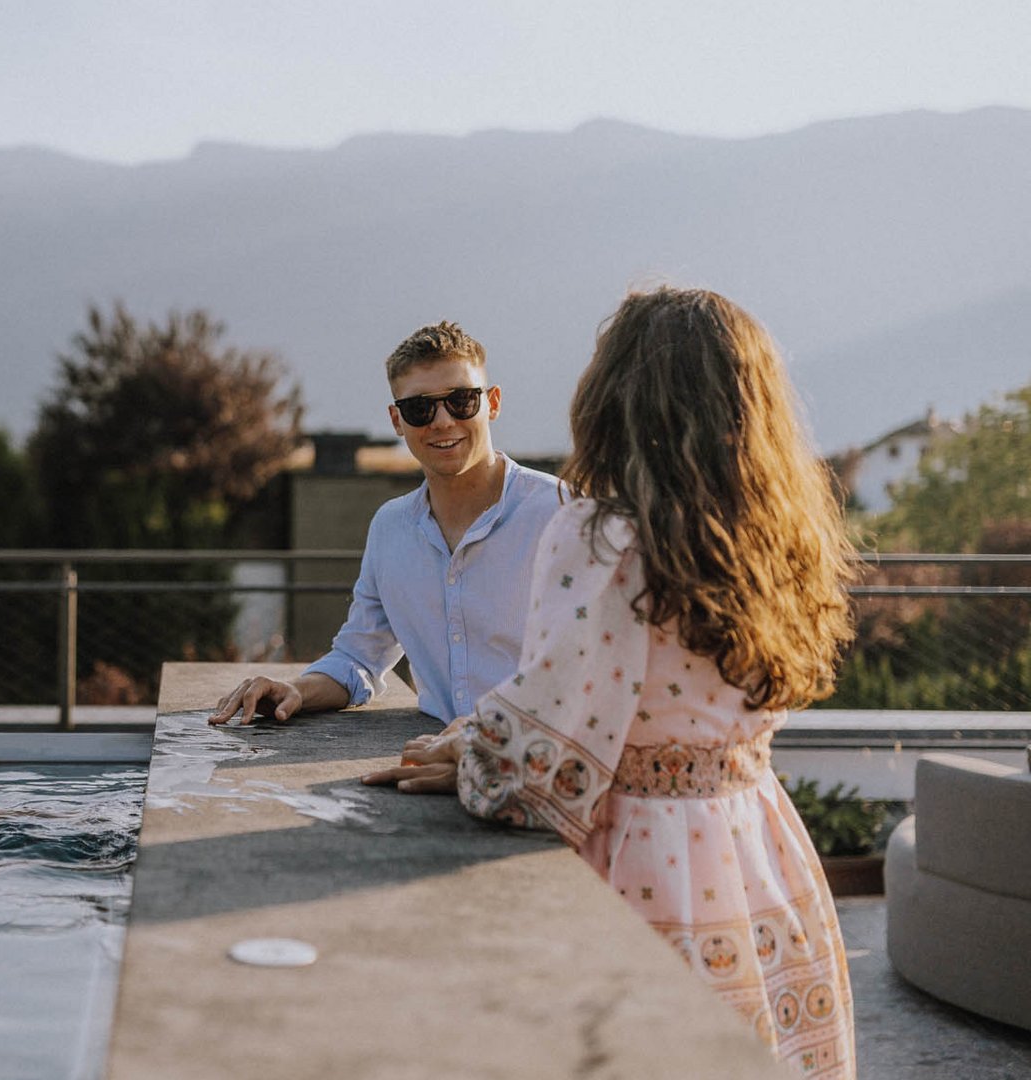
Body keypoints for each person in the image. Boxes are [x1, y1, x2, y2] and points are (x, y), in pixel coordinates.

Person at [377, 288, 857, 1076]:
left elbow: (548, 757)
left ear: (616, 397)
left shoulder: (600, 535)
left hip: (643, 865)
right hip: (759, 852)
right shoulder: (776, 535)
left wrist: (474, 755)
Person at [210, 320, 561, 728]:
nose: (442, 421)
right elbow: (359, 658)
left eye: (461, 400)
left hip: (545, 756)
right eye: (419, 409)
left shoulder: (561, 513)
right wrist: (295, 689)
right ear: (397, 421)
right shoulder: (391, 528)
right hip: (437, 757)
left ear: (493, 402)